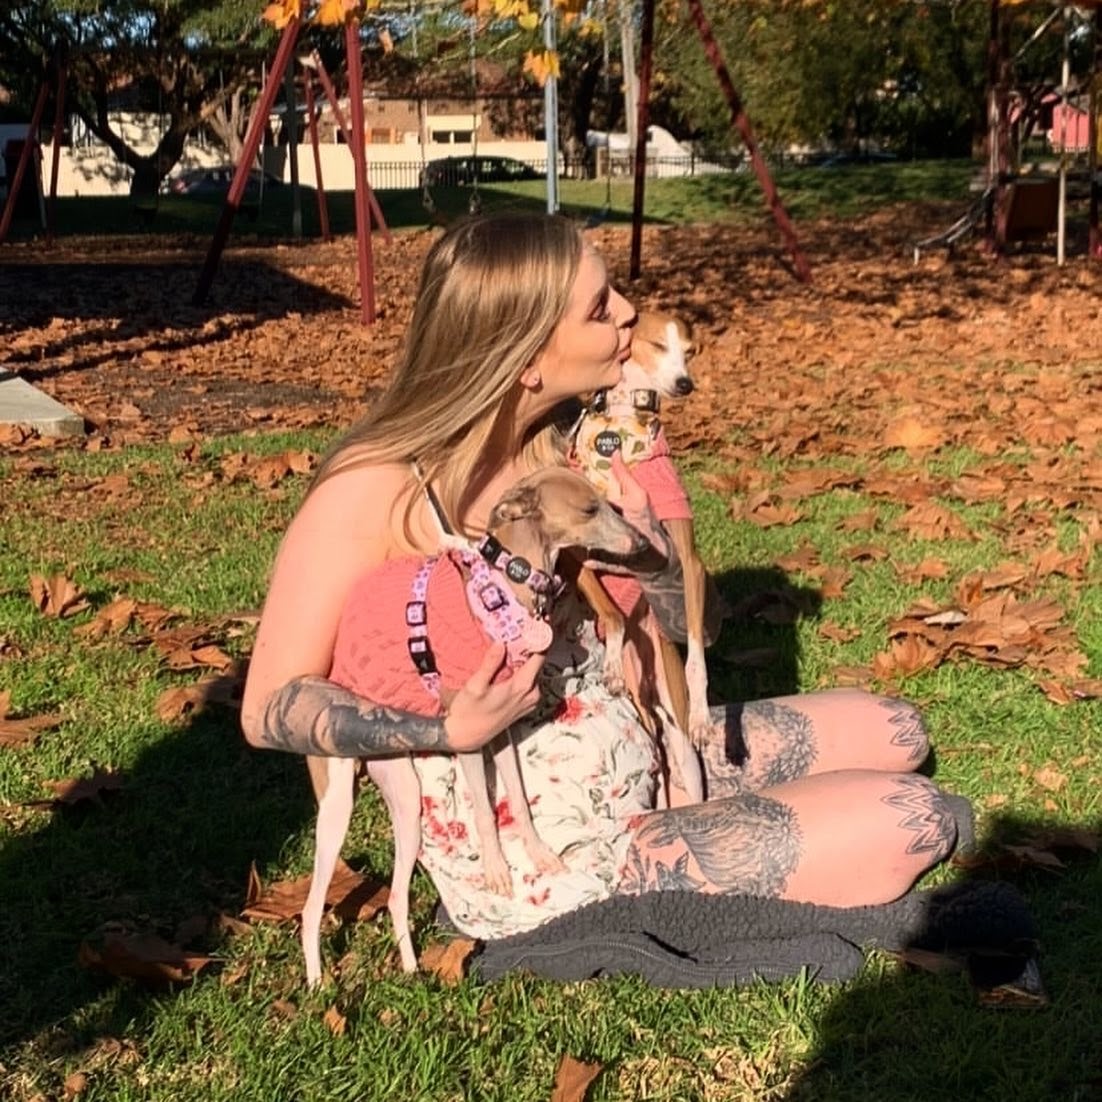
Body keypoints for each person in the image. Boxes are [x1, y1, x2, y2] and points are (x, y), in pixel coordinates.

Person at [240, 212, 959, 942]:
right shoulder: (377, 490)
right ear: (524, 355)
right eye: (599, 306)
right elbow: (269, 704)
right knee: (915, 817)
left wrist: (651, 558)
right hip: (544, 837)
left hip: (639, 743)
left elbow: (690, 630)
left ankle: (704, 812)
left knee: (899, 729)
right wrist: (445, 727)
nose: (629, 312)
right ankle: (621, 875)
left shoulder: (573, 452)